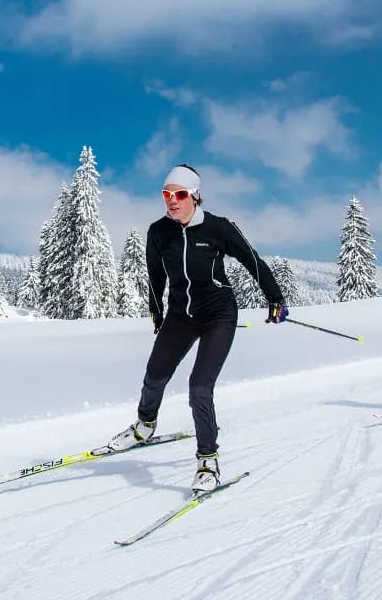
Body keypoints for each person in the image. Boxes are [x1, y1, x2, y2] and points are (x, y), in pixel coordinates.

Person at [108, 163, 288, 492]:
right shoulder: (158, 232)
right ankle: (145, 425)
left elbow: (253, 261)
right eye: (166, 194)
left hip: (219, 315)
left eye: (178, 194)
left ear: (194, 196)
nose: (171, 200)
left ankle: (208, 460)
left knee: (199, 388)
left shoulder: (219, 229)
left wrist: (275, 299)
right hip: (181, 316)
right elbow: (154, 277)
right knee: (155, 373)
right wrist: (156, 312)